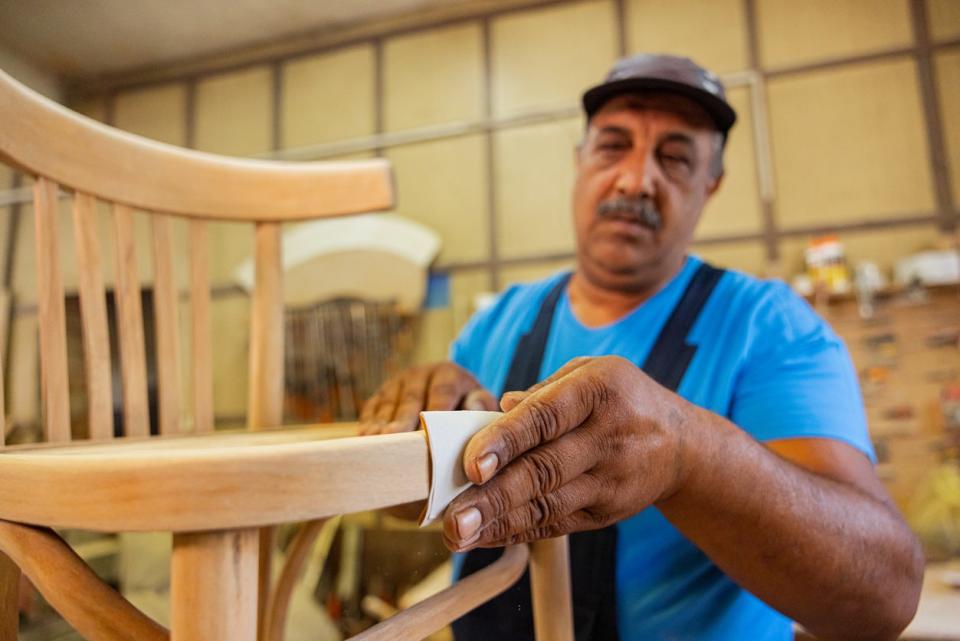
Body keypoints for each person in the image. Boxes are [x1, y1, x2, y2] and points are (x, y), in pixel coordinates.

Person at [359, 53, 923, 641]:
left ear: (711, 185)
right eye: (612, 147)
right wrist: (401, 445)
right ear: (579, 161)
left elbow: (882, 598)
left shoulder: (771, 328)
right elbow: (409, 508)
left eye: (675, 158)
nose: (635, 180)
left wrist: (688, 453)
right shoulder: (498, 322)